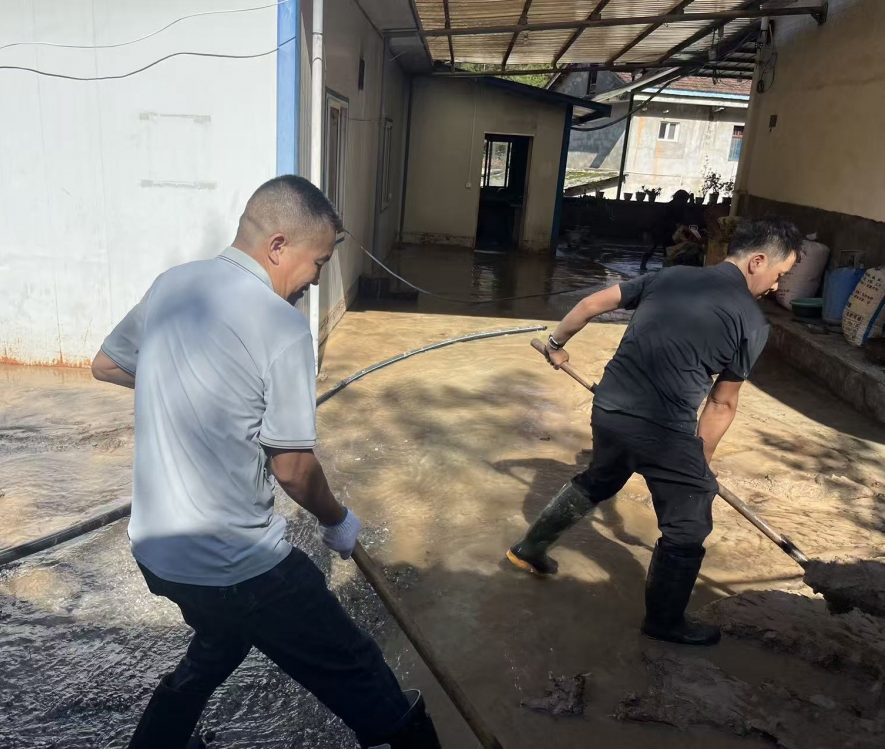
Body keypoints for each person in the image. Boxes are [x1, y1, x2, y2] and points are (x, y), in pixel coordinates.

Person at [92, 175, 441, 749]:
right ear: (278, 246)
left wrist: (191, 391)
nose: (317, 279)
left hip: (156, 554)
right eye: (318, 262)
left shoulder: (172, 285)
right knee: (363, 675)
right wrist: (337, 520)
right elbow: (293, 470)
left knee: (219, 642)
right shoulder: (282, 325)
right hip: (237, 566)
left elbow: (107, 364)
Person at [507, 217, 802, 647]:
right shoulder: (752, 323)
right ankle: (665, 623)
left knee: (601, 478)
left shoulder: (670, 276)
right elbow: (721, 403)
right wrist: (700, 465)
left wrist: (556, 345)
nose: (776, 286)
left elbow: (590, 304)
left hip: (609, 409)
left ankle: (528, 549)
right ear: (758, 261)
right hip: (664, 430)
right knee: (688, 526)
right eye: (779, 274)